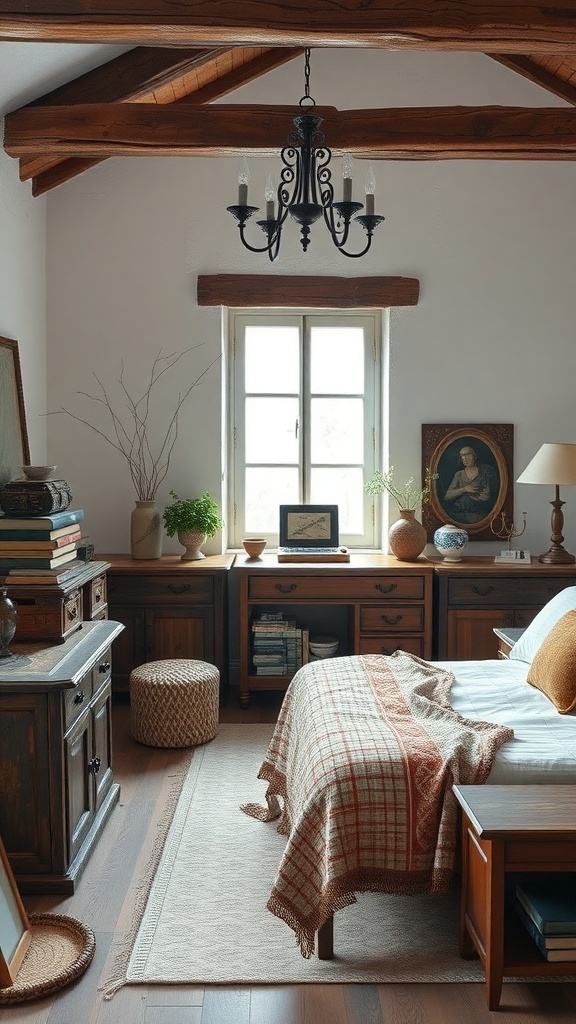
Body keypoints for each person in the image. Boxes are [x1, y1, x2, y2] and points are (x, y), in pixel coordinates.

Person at [443, 445, 496, 523]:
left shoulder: (485, 472)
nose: (465, 458)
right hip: (463, 515)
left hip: (482, 514)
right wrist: (465, 489)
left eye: (467, 454)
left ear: (474, 455)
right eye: (462, 456)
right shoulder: (459, 475)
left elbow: (488, 496)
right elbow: (447, 496)